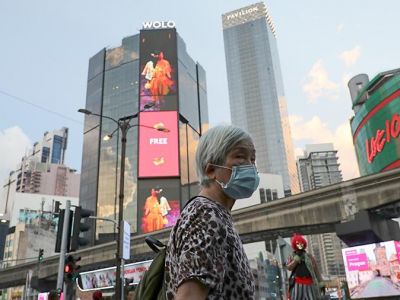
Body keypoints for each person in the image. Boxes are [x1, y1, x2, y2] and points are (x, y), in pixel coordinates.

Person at [164, 125, 259, 299]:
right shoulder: (205, 215)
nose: (251, 166)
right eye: (240, 156)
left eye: (252, 159)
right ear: (211, 169)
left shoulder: (217, 215)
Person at [286, 233, 325, 300]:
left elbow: (316, 270)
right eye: (298, 243)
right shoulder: (291, 256)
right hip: (297, 283)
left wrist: (321, 283)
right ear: (295, 245)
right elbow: (289, 267)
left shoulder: (309, 256)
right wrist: (296, 260)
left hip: (309, 284)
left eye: (301, 243)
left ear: (304, 244)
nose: (300, 245)